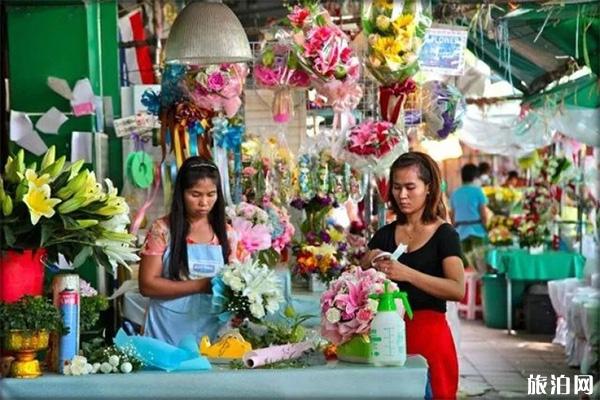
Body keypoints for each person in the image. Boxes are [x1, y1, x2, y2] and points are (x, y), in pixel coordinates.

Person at [362, 152, 465, 399]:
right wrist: (366, 262)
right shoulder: (385, 235)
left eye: (410, 187)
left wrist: (407, 274)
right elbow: (362, 282)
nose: (403, 195)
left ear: (428, 188)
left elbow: (457, 289)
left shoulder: (445, 235)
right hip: (385, 338)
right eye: (397, 187)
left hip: (429, 336)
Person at [139, 157, 236, 346]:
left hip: (213, 330)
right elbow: (147, 285)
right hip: (166, 329)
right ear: (181, 193)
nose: (204, 203)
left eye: (211, 194)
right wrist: (200, 285)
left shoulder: (227, 234)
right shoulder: (162, 230)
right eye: (196, 194)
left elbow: (237, 281)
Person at [449, 163, 489, 257]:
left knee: (465, 265)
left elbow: (452, 216)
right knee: (479, 262)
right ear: (475, 177)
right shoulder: (478, 191)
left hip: (460, 232)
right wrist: (487, 228)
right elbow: (483, 214)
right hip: (477, 231)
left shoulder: (455, 193)